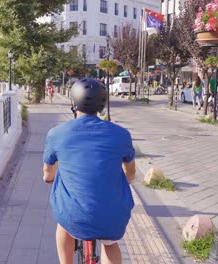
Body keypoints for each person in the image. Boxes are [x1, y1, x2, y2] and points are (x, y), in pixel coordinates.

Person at [43, 78, 136, 264]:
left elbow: (47, 173)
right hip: (112, 215)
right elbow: (130, 174)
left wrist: (50, 178)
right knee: (110, 244)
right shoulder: (121, 134)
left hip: (73, 214)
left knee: (63, 225)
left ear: (73, 102)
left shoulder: (56, 133)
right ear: (102, 104)